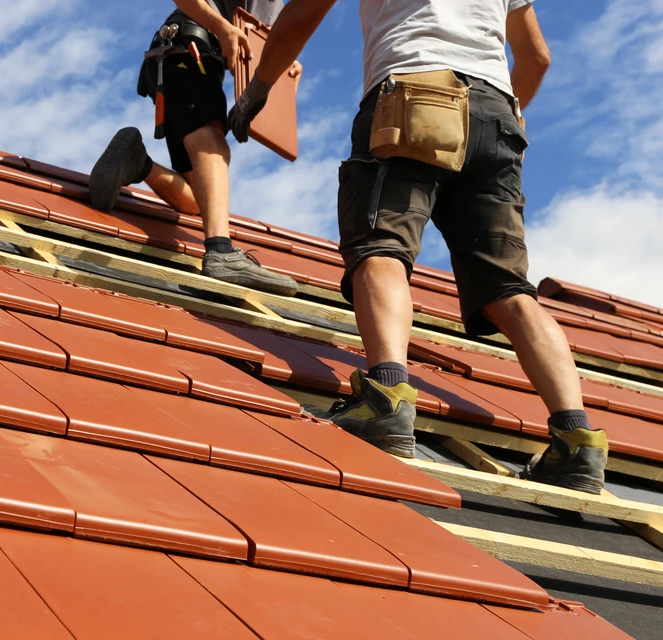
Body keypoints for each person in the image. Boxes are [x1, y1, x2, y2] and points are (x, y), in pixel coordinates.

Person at [229, 0, 608, 493]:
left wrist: (258, 89)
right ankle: (576, 442)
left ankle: (385, 394)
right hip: (496, 114)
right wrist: (502, 116)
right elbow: (536, 57)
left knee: (381, 246)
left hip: (413, 91)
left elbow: (301, 14)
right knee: (509, 288)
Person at [88, 0, 302, 296]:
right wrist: (222, 27)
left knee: (195, 200)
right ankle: (221, 250)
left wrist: (286, 64)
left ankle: (137, 160)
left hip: (180, 58)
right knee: (213, 144)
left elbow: (269, 42)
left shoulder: (276, 6)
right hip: (190, 49)